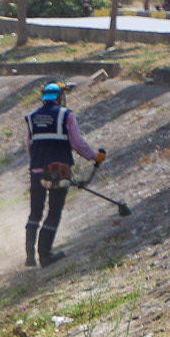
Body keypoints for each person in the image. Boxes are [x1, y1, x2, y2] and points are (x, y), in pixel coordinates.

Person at [24, 81, 105, 269]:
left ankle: (29, 257)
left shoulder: (32, 117)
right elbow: (78, 143)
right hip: (58, 171)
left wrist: (37, 165)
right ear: (59, 97)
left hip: (36, 171)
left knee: (35, 212)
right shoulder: (65, 115)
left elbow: (29, 146)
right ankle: (45, 255)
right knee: (54, 211)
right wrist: (95, 157)